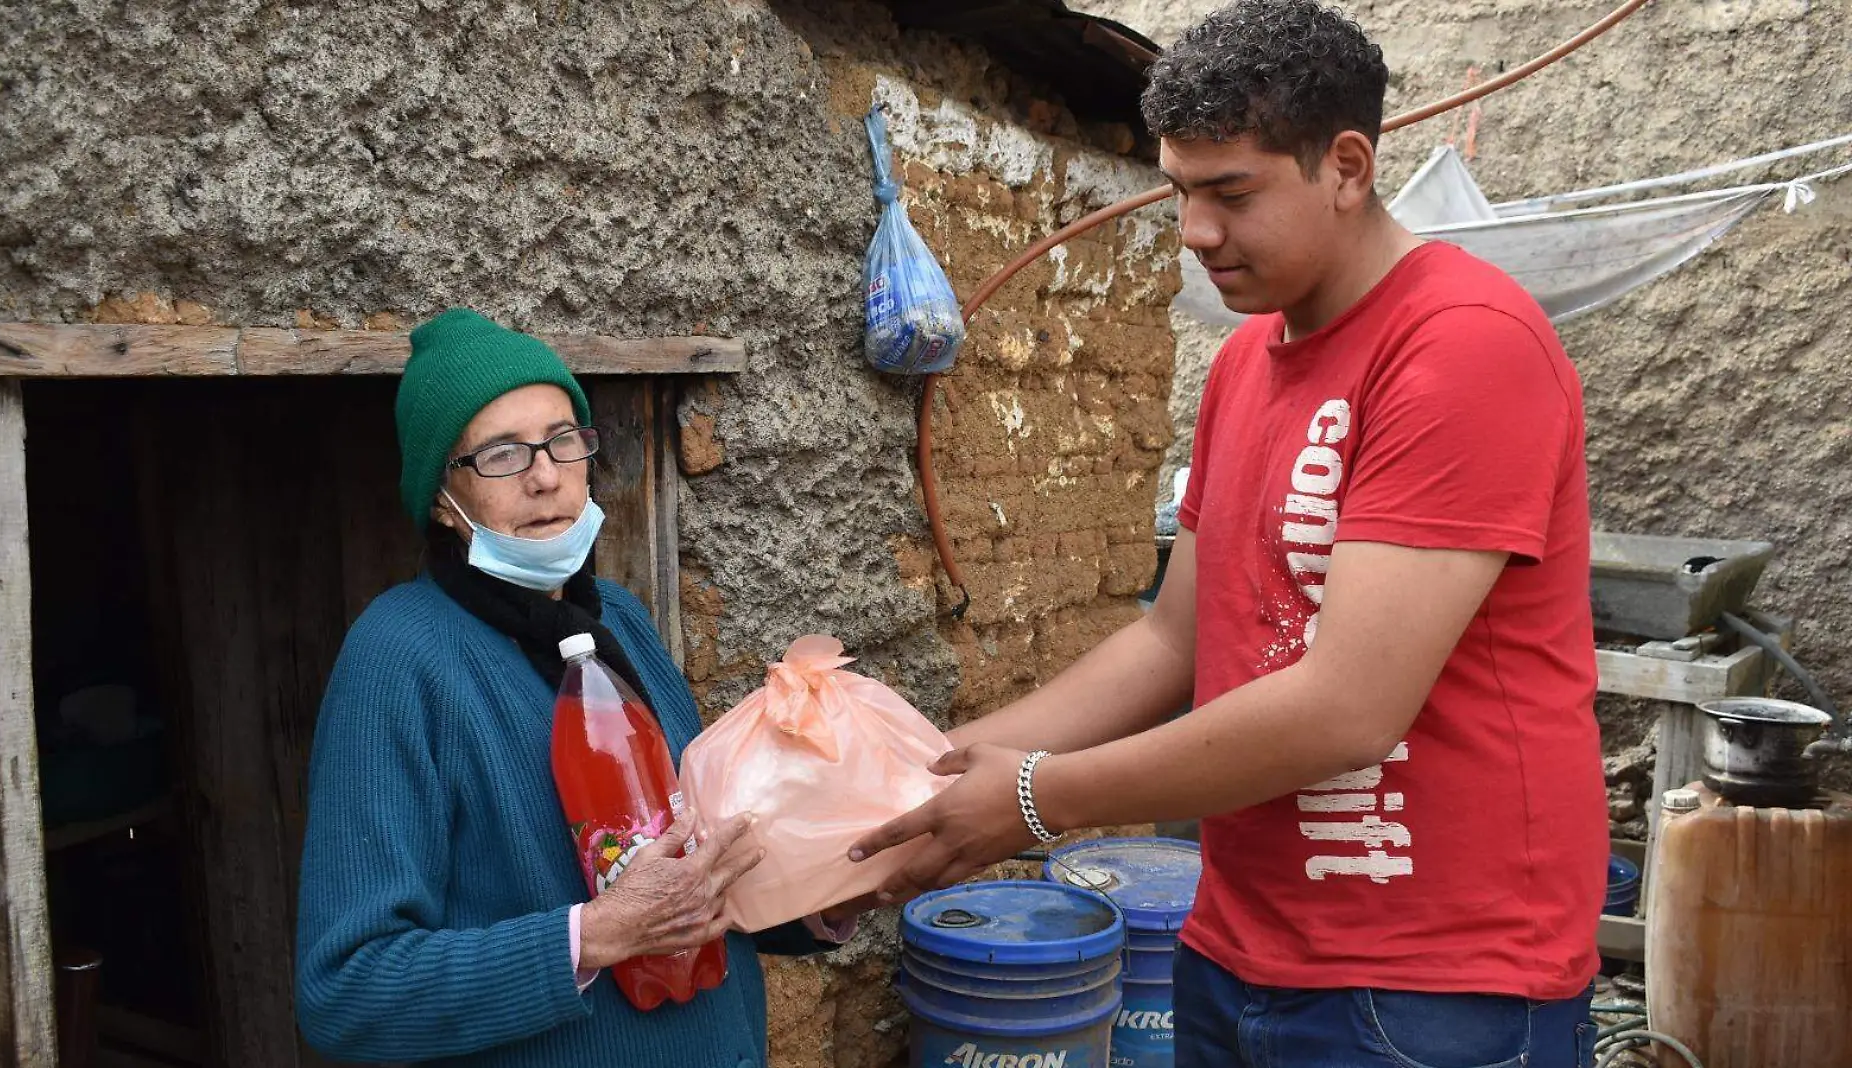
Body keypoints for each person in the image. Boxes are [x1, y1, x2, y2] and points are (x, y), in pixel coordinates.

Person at [849, 3, 1607, 1066]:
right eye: (1179, 192)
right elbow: (1173, 641)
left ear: (1346, 166)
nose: (1195, 231)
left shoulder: (1463, 347)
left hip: (1431, 982)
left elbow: (1349, 709)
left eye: (1231, 193)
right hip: (1240, 946)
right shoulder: (1250, 362)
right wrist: (949, 769)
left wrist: (1030, 799)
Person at [295, 308, 855, 1068]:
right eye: (500, 453)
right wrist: (600, 934)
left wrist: (828, 895)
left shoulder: (617, 616)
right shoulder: (397, 659)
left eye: (564, 439)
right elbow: (347, 992)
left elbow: (692, 875)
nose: (545, 475)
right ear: (440, 500)